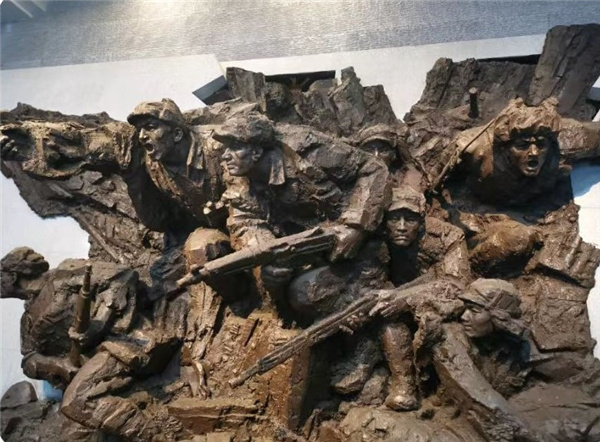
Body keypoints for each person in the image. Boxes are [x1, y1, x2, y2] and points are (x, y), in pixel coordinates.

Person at [214, 112, 390, 294]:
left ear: (257, 151)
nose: (225, 156)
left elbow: (373, 168)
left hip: (356, 242)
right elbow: (245, 221)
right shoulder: (237, 177)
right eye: (225, 148)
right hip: (304, 251)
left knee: (303, 294)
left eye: (235, 147)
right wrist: (267, 260)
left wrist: (355, 228)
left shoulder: (306, 148)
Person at [0, 247, 137, 390]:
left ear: (13, 276)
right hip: (85, 365)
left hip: (118, 344)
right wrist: (58, 365)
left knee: (78, 397)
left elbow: (121, 276)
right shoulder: (27, 319)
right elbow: (29, 357)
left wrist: (100, 323)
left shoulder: (64, 275)